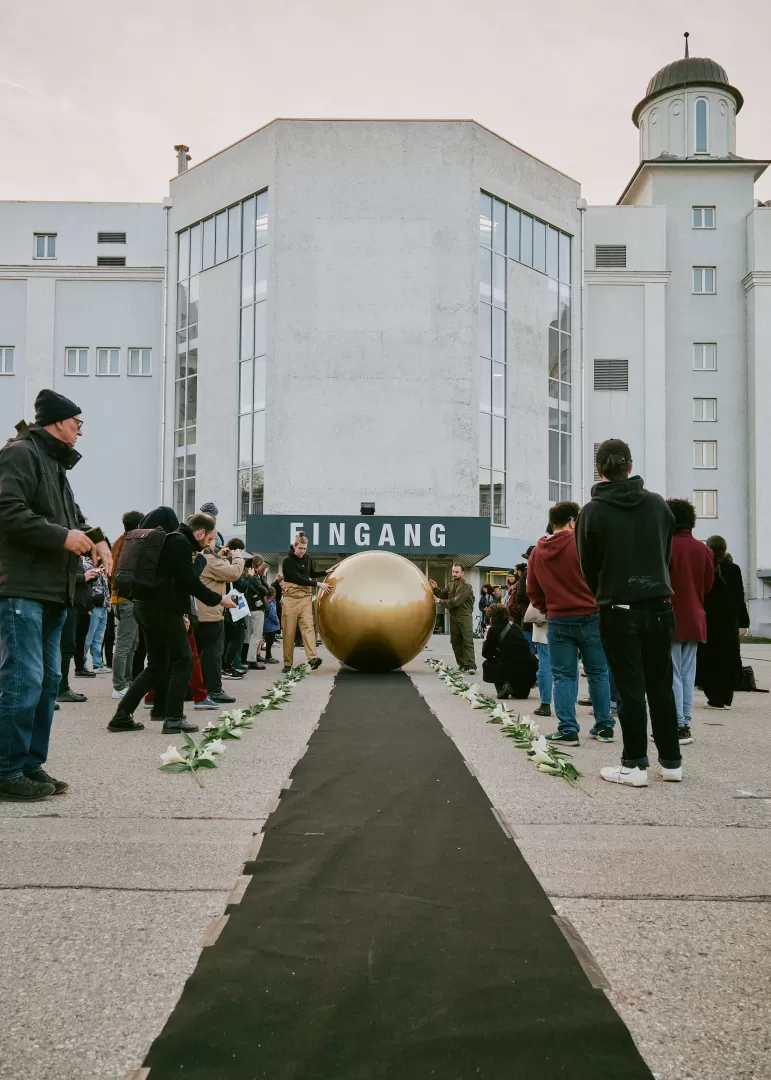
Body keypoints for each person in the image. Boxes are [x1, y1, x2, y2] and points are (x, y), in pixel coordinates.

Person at [0, 389, 112, 801]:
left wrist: (97, 538)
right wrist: (63, 536)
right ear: (59, 422)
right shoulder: (20, 453)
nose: (81, 431)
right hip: (22, 588)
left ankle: (29, 765)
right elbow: (8, 512)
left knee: (48, 681)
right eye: (78, 423)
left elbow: (72, 517)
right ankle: (6, 770)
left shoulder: (53, 464)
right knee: (23, 679)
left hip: (52, 590)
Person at [576, 439, 681, 788]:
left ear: (599, 468)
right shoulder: (656, 505)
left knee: (630, 687)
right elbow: (666, 551)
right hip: (660, 605)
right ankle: (671, 761)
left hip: (619, 607)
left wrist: (604, 591)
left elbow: (587, 565)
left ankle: (635, 764)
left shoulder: (592, 511)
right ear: (630, 465)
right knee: (661, 686)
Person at [107, 509, 236, 735]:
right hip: (162, 610)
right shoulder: (177, 542)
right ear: (199, 533)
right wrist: (219, 599)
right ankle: (174, 718)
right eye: (210, 538)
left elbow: (181, 576)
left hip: (145, 606)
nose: (210, 543)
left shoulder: (172, 541)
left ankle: (125, 715)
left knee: (158, 664)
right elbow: (188, 582)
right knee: (183, 659)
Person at [527, 501, 614, 746]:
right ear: (573, 521)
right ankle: (604, 726)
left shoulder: (537, 552)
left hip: (558, 619)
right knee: (598, 672)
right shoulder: (582, 544)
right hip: (590, 615)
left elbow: (532, 589)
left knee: (563, 675)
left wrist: (548, 607)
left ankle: (567, 729)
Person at [666, 499, 714, 743]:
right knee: (687, 673)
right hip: (695, 618)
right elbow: (708, 586)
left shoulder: (665, 546)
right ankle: (685, 723)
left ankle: (676, 724)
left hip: (670, 617)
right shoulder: (705, 550)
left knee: (671, 673)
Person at [697, 536, 749, 710]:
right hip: (729, 620)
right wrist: (743, 622)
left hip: (709, 619)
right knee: (728, 657)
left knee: (709, 657)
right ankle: (726, 697)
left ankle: (714, 698)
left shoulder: (705, 567)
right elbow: (739, 596)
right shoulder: (733, 568)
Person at [195, 540, 245, 699]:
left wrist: (222, 557)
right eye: (213, 539)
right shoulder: (209, 559)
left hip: (201, 613)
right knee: (213, 654)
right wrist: (237, 558)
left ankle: (195, 689)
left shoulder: (203, 558)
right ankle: (215, 690)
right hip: (210, 613)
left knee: (199, 655)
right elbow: (233, 574)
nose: (216, 544)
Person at [280, 532, 329, 673]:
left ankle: (312, 658)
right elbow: (296, 578)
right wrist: (318, 585)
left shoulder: (307, 558)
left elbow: (310, 573)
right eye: (300, 548)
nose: (302, 551)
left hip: (305, 598)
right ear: (295, 546)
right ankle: (288, 663)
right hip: (290, 599)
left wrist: (326, 571)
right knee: (289, 632)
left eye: (305, 548)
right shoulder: (287, 561)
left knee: (308, 627)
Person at [110, 509, 144, 700]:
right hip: (126, 599)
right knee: (124, 644)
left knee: (132, 643)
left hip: (119, 598)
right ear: (139, 526)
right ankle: (119, 685)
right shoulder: (130, 543)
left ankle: (128, 681)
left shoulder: (119, 541)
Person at [482, 604, 538, 699]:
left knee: (488, 663)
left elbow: (486, 653)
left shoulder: (494, 629)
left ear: (492, 617)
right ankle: (518, 687)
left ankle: (502, 687)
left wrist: (489, 644)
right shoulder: (515, 626)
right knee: (521, 696)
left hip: (508, 667)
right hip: (528, 667)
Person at [429, 563, 476, 673]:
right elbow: (443, 594)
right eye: (453, 572)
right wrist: (436, 589)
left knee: (467, 641)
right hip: (454, 617)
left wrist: (440, 601)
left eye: (456, 572)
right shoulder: (451, 584)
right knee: (455, 642)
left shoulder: (466, 586)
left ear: (462, 573)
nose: (454, 574)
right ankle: (462, 664)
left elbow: (455, 602)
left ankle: (471, 665)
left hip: (465, 616)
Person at [82, 553, 110, 671]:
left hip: (104, 606)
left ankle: (98, 664)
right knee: (88, 637)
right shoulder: (86, 564)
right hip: (93, 605)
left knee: (99, 638)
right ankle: (81, 664)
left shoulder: (104, 565)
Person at [243, 554, 269, 669]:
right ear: (258, 565)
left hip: (253, 608)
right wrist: (262, 579)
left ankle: (251, 658)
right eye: (261, 564)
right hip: (256, 609)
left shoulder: (253, 577)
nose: (263, 566)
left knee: (253, 635)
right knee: (256, 635)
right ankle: (251, 660)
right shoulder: (254, 578)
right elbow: (264, 591)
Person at [262, 587, 281, 663]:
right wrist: (277, 621)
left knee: (268, 641)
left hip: (267, 625)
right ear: (274, 594)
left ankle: (268, 656)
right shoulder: (271, 603)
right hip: (271, 626)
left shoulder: (266, 601)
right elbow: (273, 614)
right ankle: (268, 656)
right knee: (270, 641)